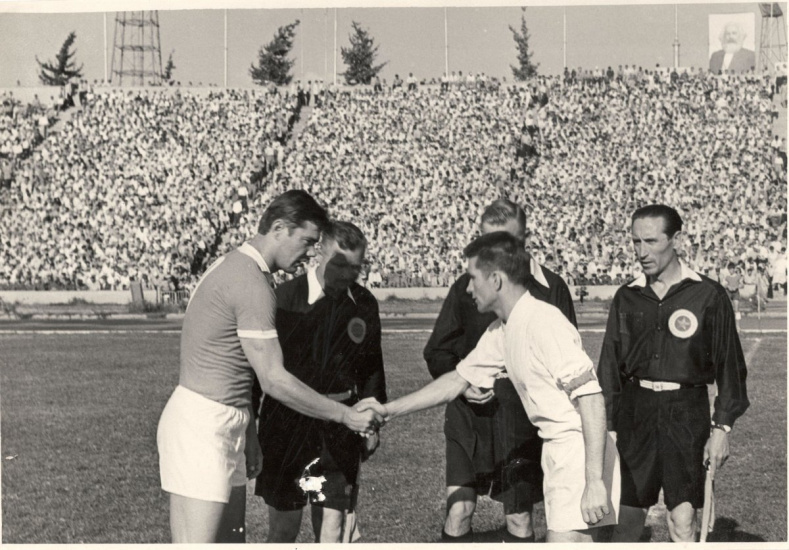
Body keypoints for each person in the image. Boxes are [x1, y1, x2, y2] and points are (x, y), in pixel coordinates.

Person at [359, 232, 620, 543]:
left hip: (580, 453)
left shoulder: (544, 322)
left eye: (473, 278)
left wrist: (594, 480)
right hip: (560, 452)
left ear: (496, 280)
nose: (468, 288)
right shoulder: (503, 329)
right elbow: (457, 380)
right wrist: (387, 410)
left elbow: (591, 398)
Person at [156, 191, 383, 543]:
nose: (311, 252)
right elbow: (273, 379)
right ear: (279, 228)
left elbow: (242, 371)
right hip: (205, 423)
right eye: (307, 241)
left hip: (224, 418)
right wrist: (345, 415)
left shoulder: (244, 269)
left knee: (230, 541)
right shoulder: (251, 280)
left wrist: (248, 430)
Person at [423, 199, 576, 543]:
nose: (496, 250)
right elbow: (437, 351)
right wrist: (466, 387)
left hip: (520, 418)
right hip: (469, 414)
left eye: (506, 241)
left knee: (519, 517)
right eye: (487, 241)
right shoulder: (468, 287)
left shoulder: (551, 288)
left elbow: (565, 364)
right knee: (459, 510)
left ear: (524, 239)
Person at [597, 204, 749, 543]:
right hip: (635, 413)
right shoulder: (627, 296)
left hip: (686, 413)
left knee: (683, 520)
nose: (641, 251)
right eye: (635, 242)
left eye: (651, 241)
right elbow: (609, 368)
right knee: (626, 522)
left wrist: (722, 428)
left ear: (676, 239)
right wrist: (606, 429)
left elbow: (730, 368)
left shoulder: (708, 295)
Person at [252, 220, 387, 543]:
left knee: (333, 526)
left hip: (341, 428)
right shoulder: (283, 299)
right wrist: (250, 426)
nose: (348, 275)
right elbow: (260, 371)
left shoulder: (364, 304)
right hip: (286, 426)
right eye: (340, 265)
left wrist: (373, 424)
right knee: (284, 529)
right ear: (319, 254)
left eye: (356, 267)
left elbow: (371, 367)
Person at [723, 261, 744, 329]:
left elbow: (742, 285)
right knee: (728, 308)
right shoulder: (727, 277)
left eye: (731, 269)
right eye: (729, 269)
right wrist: (728, 286)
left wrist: (736, 287)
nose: (730, 271)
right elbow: (723, 285)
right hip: (729, 293)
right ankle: (727, 324)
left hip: (735, 293)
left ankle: (737, 325)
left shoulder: (738, 276)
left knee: (736, 309)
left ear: (734, 269)